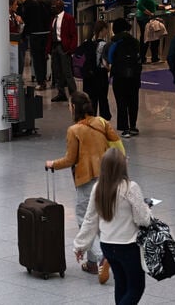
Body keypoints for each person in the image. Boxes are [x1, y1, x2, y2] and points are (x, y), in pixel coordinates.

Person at [46, 92, 123, 279]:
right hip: (107, 175)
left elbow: (70, 159)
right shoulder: (102, 122)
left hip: (87, 178)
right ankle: (92, 263)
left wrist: (52, 164)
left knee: (85, 217)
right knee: (103, 217)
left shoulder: (75, 130)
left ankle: (100, 256)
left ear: (74, 107)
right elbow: (117, 145)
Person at [73, 148, 152, 303]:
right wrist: (147, 209)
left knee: (121, 285)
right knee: (136, 287)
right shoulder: (130, 187)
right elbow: (142, 220)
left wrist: (80, 246)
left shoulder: (98, 188)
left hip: (107, 245)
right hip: (128, 245)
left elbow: (90, 220)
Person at [109, 18, 142, 138]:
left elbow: (110, 58)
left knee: (121, 101)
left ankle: (125, 128)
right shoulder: (135, 41)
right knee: (133, 100)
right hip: (134, 75)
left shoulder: (114, 42)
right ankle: (133, 126)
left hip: (119, 75)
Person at [21, 0, 52, 89]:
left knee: (37, 59)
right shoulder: (48, 0)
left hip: (34, 33)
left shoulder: (28, 2)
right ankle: (50, 79)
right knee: (46, 57)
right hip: (47, 32)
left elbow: (25, 18)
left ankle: (41, 81)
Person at [48, 0, 78, 103]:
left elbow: (74, 35)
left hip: (64, 47)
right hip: (55, 47)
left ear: (60, 7)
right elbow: (50, 34)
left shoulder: (68, 18)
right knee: (56, 71)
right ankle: (61, 93)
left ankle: (74, 94)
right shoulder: (53, 19)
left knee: (67, 72)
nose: (52, 8)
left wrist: (71, 49)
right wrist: (49, 49)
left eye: (54, 6)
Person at [82, 20, 112, 120]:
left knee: (92, 99)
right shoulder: (104, 44)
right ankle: (104, 120)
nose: (107, 32)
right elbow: (104, 63)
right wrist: (109, 68)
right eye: (106, 30)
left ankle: (90, 119)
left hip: (89, 75)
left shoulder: (87, 42)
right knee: (103, 98)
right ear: (102, 30)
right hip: (101, 74)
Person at [135, 0, 161, 64]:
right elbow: (139, 5)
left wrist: (159, 6)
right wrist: (149, 13)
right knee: (145, 38)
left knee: (153, 37)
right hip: (144, 18)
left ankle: (154, 56)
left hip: (149, 18)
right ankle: (142, 57)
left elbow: (151, 3)